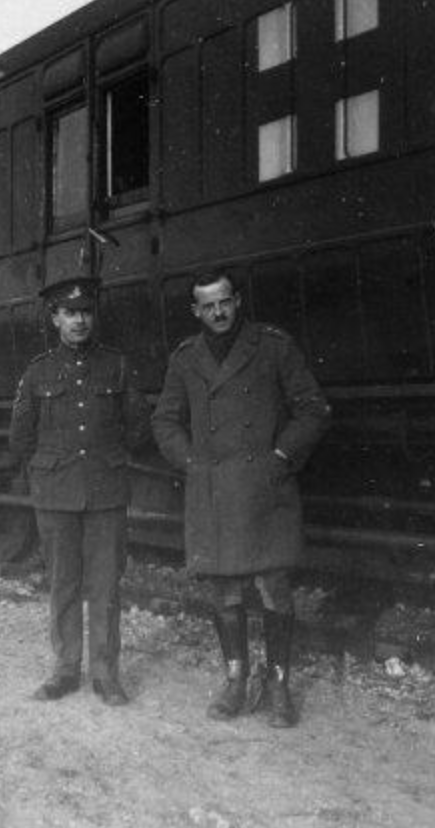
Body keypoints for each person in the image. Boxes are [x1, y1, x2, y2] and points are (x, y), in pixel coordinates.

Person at [152, 268, 330, 727]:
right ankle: (236, 680)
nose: (218, 312)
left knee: (274, 589)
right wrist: (190, 462)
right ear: (196, 311)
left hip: (266, 485)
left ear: (237, 300)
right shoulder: (185, 358)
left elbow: (313, 409)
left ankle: (278, 685)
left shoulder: (272, 345)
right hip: (213, 488)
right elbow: (164, 421)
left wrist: (280, 455)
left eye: (224, 301)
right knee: (224, 588)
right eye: (207, 305)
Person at [8, 276, 150, 706]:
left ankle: (106, 674)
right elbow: (21, 439)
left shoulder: (118, 366)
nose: (80, 320)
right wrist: (49, 469)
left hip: (105, 491)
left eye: (86, 312)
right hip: (56, 494)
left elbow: (139, 428)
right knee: (63, 584)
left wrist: (108, 456)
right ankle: (65, 670)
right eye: (70, 313)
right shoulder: (37, 373)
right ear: (55, 319)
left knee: (105, 585)